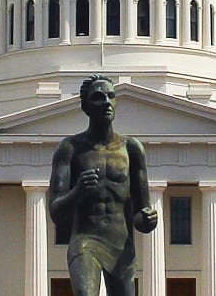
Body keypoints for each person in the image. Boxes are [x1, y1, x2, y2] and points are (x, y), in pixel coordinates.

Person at [49, 76, 158, 295]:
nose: (106, 102)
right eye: (98, 98)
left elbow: (140, 213)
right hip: (85, 241)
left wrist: (148, 219)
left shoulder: (132, 149)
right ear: (86, 106)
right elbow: (56, 212)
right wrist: (78, 191)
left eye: (110, 96)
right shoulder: (70, 149)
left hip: (121, 245)